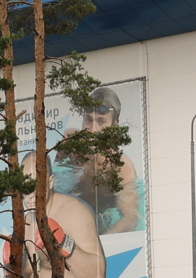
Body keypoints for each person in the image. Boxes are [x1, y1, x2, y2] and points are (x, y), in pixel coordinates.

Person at [58, 87, 146, 233]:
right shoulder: (70, 142)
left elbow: (130, 220)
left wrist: (99, 242)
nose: (93, 130)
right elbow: (53, 174)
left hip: (104, 217)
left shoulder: (120, 167)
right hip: (75, 210)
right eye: (88, 120)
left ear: (114, 126)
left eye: (101, 122)